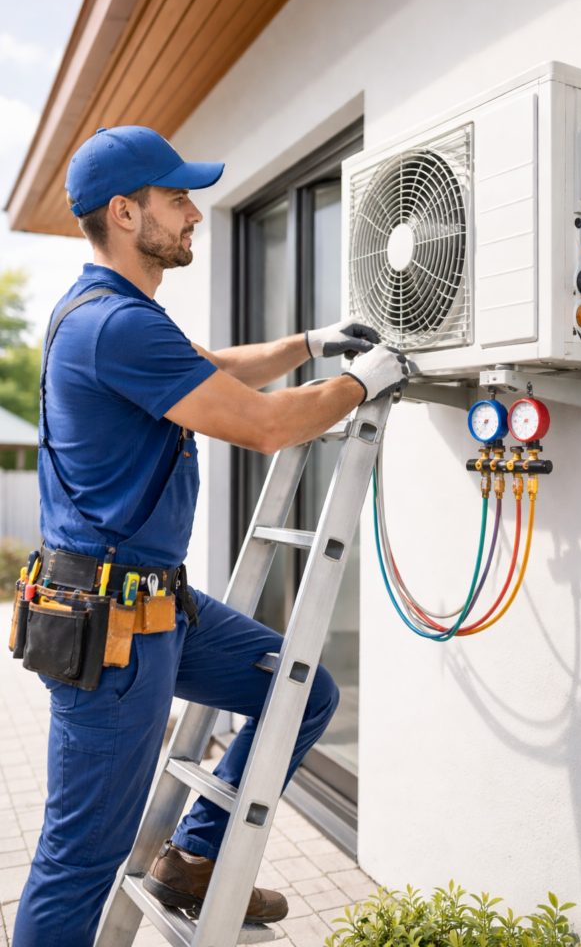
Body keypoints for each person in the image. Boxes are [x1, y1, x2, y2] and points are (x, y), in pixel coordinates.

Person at [12, 126, 408, 947]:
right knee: (81, 855)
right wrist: (358, 383)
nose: (195, 213)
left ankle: (193, 860)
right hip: (112, 631)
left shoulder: (112, 316)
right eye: (177, 198)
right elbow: (264, 428)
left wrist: (309, 345)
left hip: (157, 608)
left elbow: (214, 368)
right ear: (125, 213)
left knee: (301, 691)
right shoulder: (115, 325)